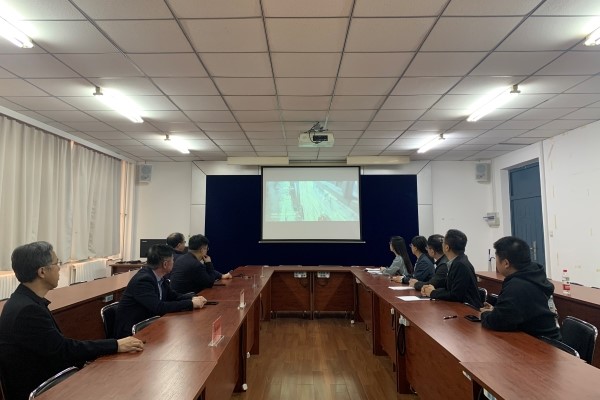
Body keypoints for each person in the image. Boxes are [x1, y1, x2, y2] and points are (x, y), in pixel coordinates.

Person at [0, 242, 144, 400]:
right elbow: (63, 350)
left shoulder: (25, 300)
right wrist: (115, 345)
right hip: (42, 390)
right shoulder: (27, 310)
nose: (59, 268)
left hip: (48, 378)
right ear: (42, 272)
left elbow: (57, 348)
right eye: (56, 263)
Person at [114, 244, 207, 339]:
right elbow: (159, 307)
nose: (174, 262)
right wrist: (190, 304)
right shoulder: (143, 280)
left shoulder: (159, 277)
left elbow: (173, 296)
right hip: (133, 332)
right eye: (172, 260)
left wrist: (193, 298)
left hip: (149, 323)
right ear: (165, 264)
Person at [480, 236, 561, 339]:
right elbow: (512, 312)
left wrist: (485, 314)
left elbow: (497, 322)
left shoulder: (517, 286)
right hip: (548, 338)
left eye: (496, 259)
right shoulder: (533, 275)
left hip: (541, 343)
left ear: (506, 263)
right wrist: (495, 311)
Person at [420, 229, 482, 308]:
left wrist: (432, 292)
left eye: (443, 242)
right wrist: (432, 290)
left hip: (468, 309)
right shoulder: (457, 261)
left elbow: (455, 295)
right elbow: (450, 290)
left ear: (447, 247)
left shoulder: (460, 265)